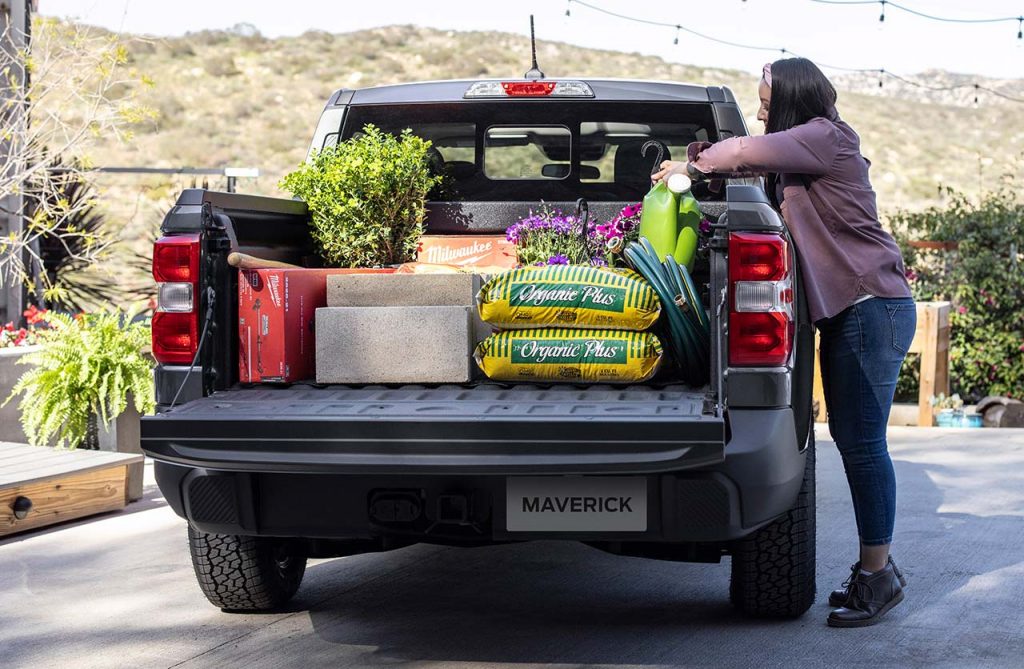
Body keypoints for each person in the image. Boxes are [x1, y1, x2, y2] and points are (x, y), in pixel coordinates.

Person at [652, 57, 916, 628]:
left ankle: (879, 574)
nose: (762, 108)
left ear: (795, 97)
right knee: (852, 438)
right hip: (852, 313)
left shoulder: (826, 137)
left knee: (864, 443)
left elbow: (743, 151)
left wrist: (690, 162)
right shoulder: (802, 155)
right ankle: (876, 570)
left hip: (873, 307)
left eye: (768, 100)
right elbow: (748, 170)